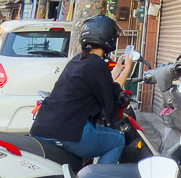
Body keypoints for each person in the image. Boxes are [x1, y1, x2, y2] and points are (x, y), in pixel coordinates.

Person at [30, 15, 133, 164]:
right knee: (117, 140)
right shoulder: (97, 65)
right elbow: (111, 98)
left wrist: (117, 69)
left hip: (42, 127)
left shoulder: (78, 60)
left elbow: (100, 82)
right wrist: (127, 70)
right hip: (68, 132)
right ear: (108, 38)